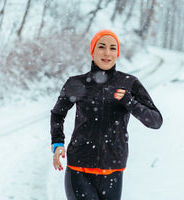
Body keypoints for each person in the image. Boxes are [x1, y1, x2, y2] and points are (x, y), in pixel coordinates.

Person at [50, 29, 163, 200]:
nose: (107, 53)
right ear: (93, 51)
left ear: (117, 53)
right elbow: (58, 114)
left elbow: (155, 121)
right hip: (79, 169)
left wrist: (129, 102)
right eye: (101, 47)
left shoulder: (129, 83)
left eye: (112, 48)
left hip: (113, 171)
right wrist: (57, 143)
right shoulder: (76, 83)